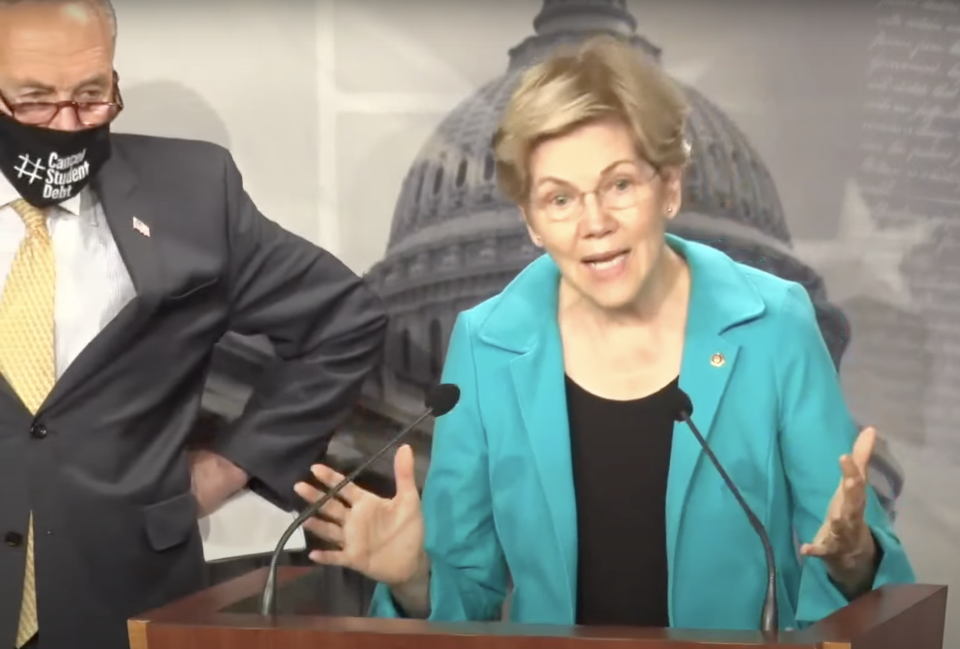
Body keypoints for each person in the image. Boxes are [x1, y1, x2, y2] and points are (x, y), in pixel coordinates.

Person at [296, 35, 916, 630]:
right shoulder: (485, 345)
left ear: (669, 186)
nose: (594, 222)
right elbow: (469, 591)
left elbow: (848, 563)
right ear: (532, 221)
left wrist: (854, 556)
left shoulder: (774, 324)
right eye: (559, 199)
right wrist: (411, 576)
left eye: (619, 184)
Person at [0, 1, 387, 648]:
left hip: (129, 596)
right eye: (34, 101)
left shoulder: (193, 190)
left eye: (92, 96)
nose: (66, 125)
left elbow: (344, 317)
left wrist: (235, 463)